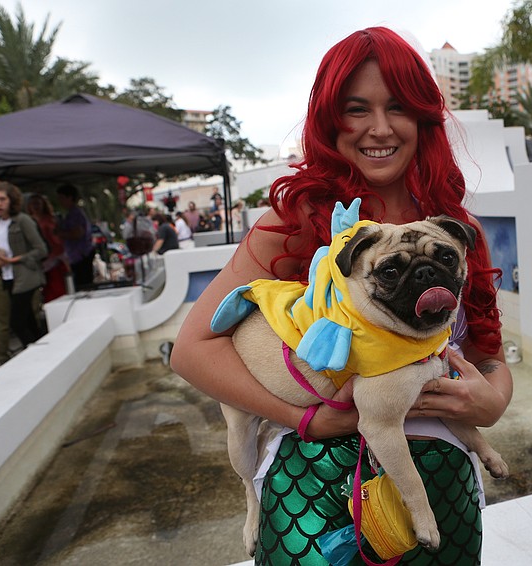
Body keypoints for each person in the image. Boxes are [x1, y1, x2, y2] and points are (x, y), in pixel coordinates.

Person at [171, 27, 512, 565]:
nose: (379, 128)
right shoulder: (293, 221)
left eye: (397, 107)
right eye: (357, 109)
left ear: (423, 117)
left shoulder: (454, 231)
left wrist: (494, 400)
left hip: (446, 489)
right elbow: (191, 350)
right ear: (331, 121)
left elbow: (487, 353)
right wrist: (304, 417)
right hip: (312, 490)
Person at [0, 180, 47, 361]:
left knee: (17, 321)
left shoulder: (23, 220)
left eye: (2, 199)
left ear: (11, 200)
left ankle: (36, 357)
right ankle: (43, 354)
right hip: (6, 275)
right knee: (28, 322)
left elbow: (41, 250)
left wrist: (14, 259)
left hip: (25, 276)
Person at [26, 193, 69, 303]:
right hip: (38, 261)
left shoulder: (51, 219)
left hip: (54, 259)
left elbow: (57, 239)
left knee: (57, 288)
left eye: (38, 203)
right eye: (33, 204)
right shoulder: (27, 222)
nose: (36, 206)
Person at [55, 183, 95, 290]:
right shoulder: (70, 214)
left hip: (80, 256)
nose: (60, 201)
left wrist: (60, 233)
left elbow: (78, 233)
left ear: (70, 197)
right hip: (76, 257)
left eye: (62, 198)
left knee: (83, 286)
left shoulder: (75, 214)